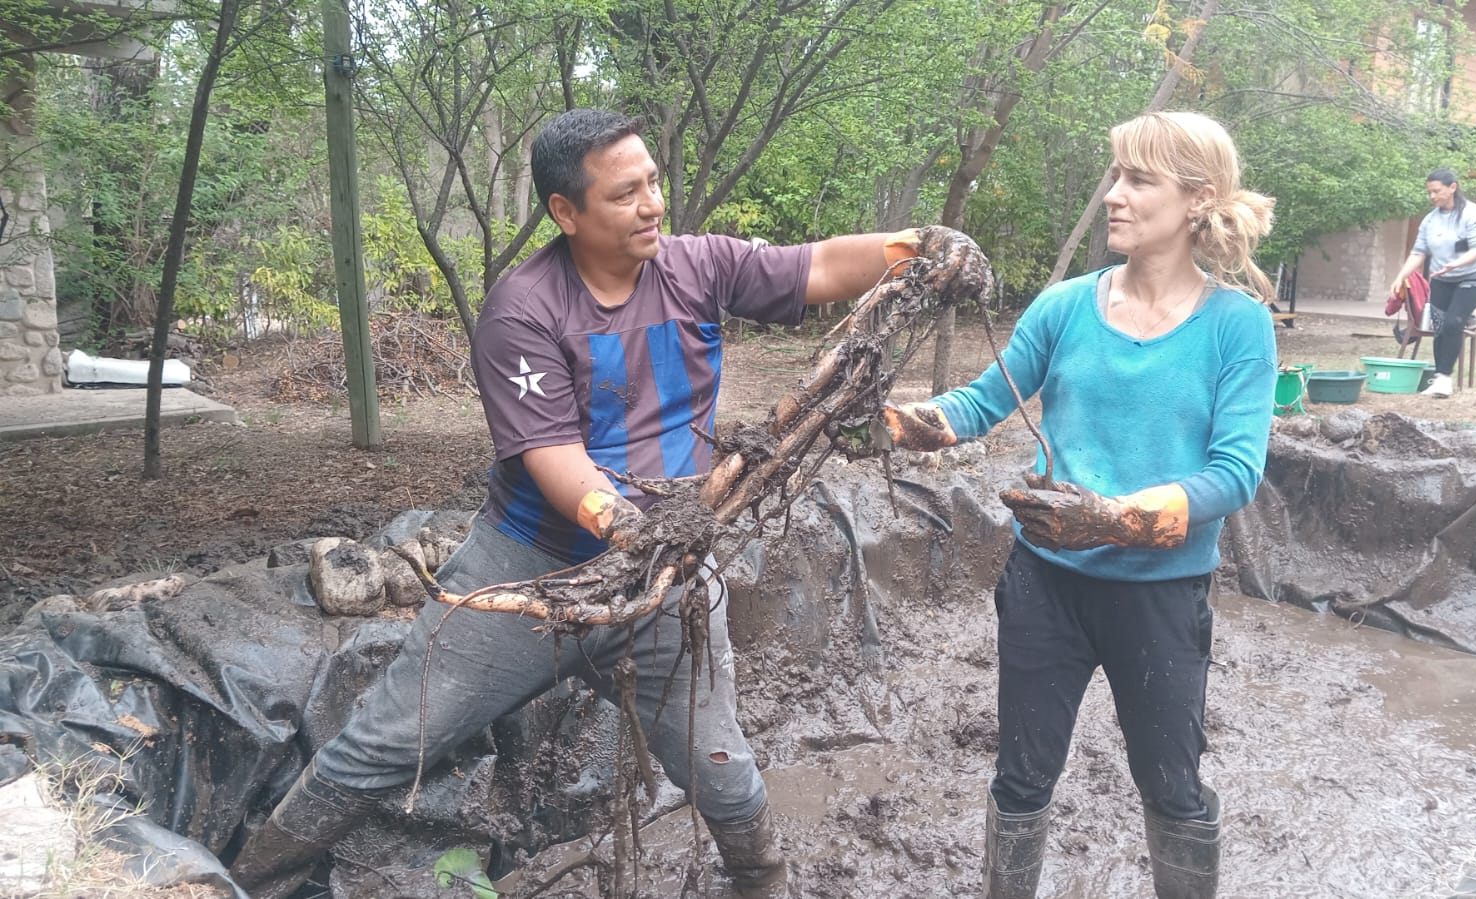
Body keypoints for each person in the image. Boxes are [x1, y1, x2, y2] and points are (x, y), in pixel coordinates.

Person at [227, 108, 987, 899]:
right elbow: (552, 455)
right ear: (566, 211)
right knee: (386, 740)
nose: (652, 204)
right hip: (527, 570)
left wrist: (915, 247)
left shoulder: (696, 266)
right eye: (626, 194)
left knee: (721, 769)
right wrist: (625, 525)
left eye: (652, 182)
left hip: (668, 581)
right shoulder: (522, 309)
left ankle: (762, 882)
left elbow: (817, 264)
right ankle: (241, 881)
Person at [884, 111, 1276, 899]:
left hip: (1160, 597)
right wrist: (892, 423)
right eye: (1114, 175)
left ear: (1197, 199)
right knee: (1021, 777)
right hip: (1045, 585)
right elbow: (980, 402)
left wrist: (1115, 519)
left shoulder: (1237, 327)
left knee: (1171, 785)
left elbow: (1234, 473)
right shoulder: (1063, 306)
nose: (1113, 195)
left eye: (1138, 179)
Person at [1386, 167, 1476, 398]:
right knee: (1441, 325)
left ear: (1452, 187)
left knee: (1454, 322)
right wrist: (1400, 276)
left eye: (1436, 191)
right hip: (1441, 278)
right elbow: (1418, 252)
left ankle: (1444, 379)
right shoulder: (1430, 220)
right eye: (1429, 192)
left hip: (1473, 276)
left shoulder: (1473, 214)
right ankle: (1439, 379)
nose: (1432, 196)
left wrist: (1456, 264)